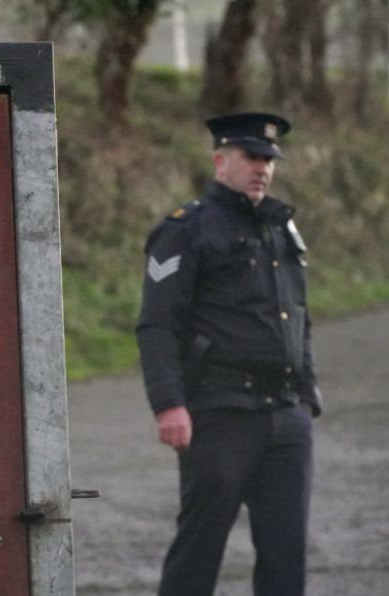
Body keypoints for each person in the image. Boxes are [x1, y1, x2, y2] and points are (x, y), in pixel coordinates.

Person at [135, 112, 323, 596]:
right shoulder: (186, 229)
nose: (262, 167)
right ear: (221, 160)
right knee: (199, 551)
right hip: (219, 414)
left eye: (269, 159)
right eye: (251, 157)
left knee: (286, 557)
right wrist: (168, 404)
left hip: (284, 418)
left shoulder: (281, 228)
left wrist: (307, 395)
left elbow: (298, 314)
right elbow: (157, 324)